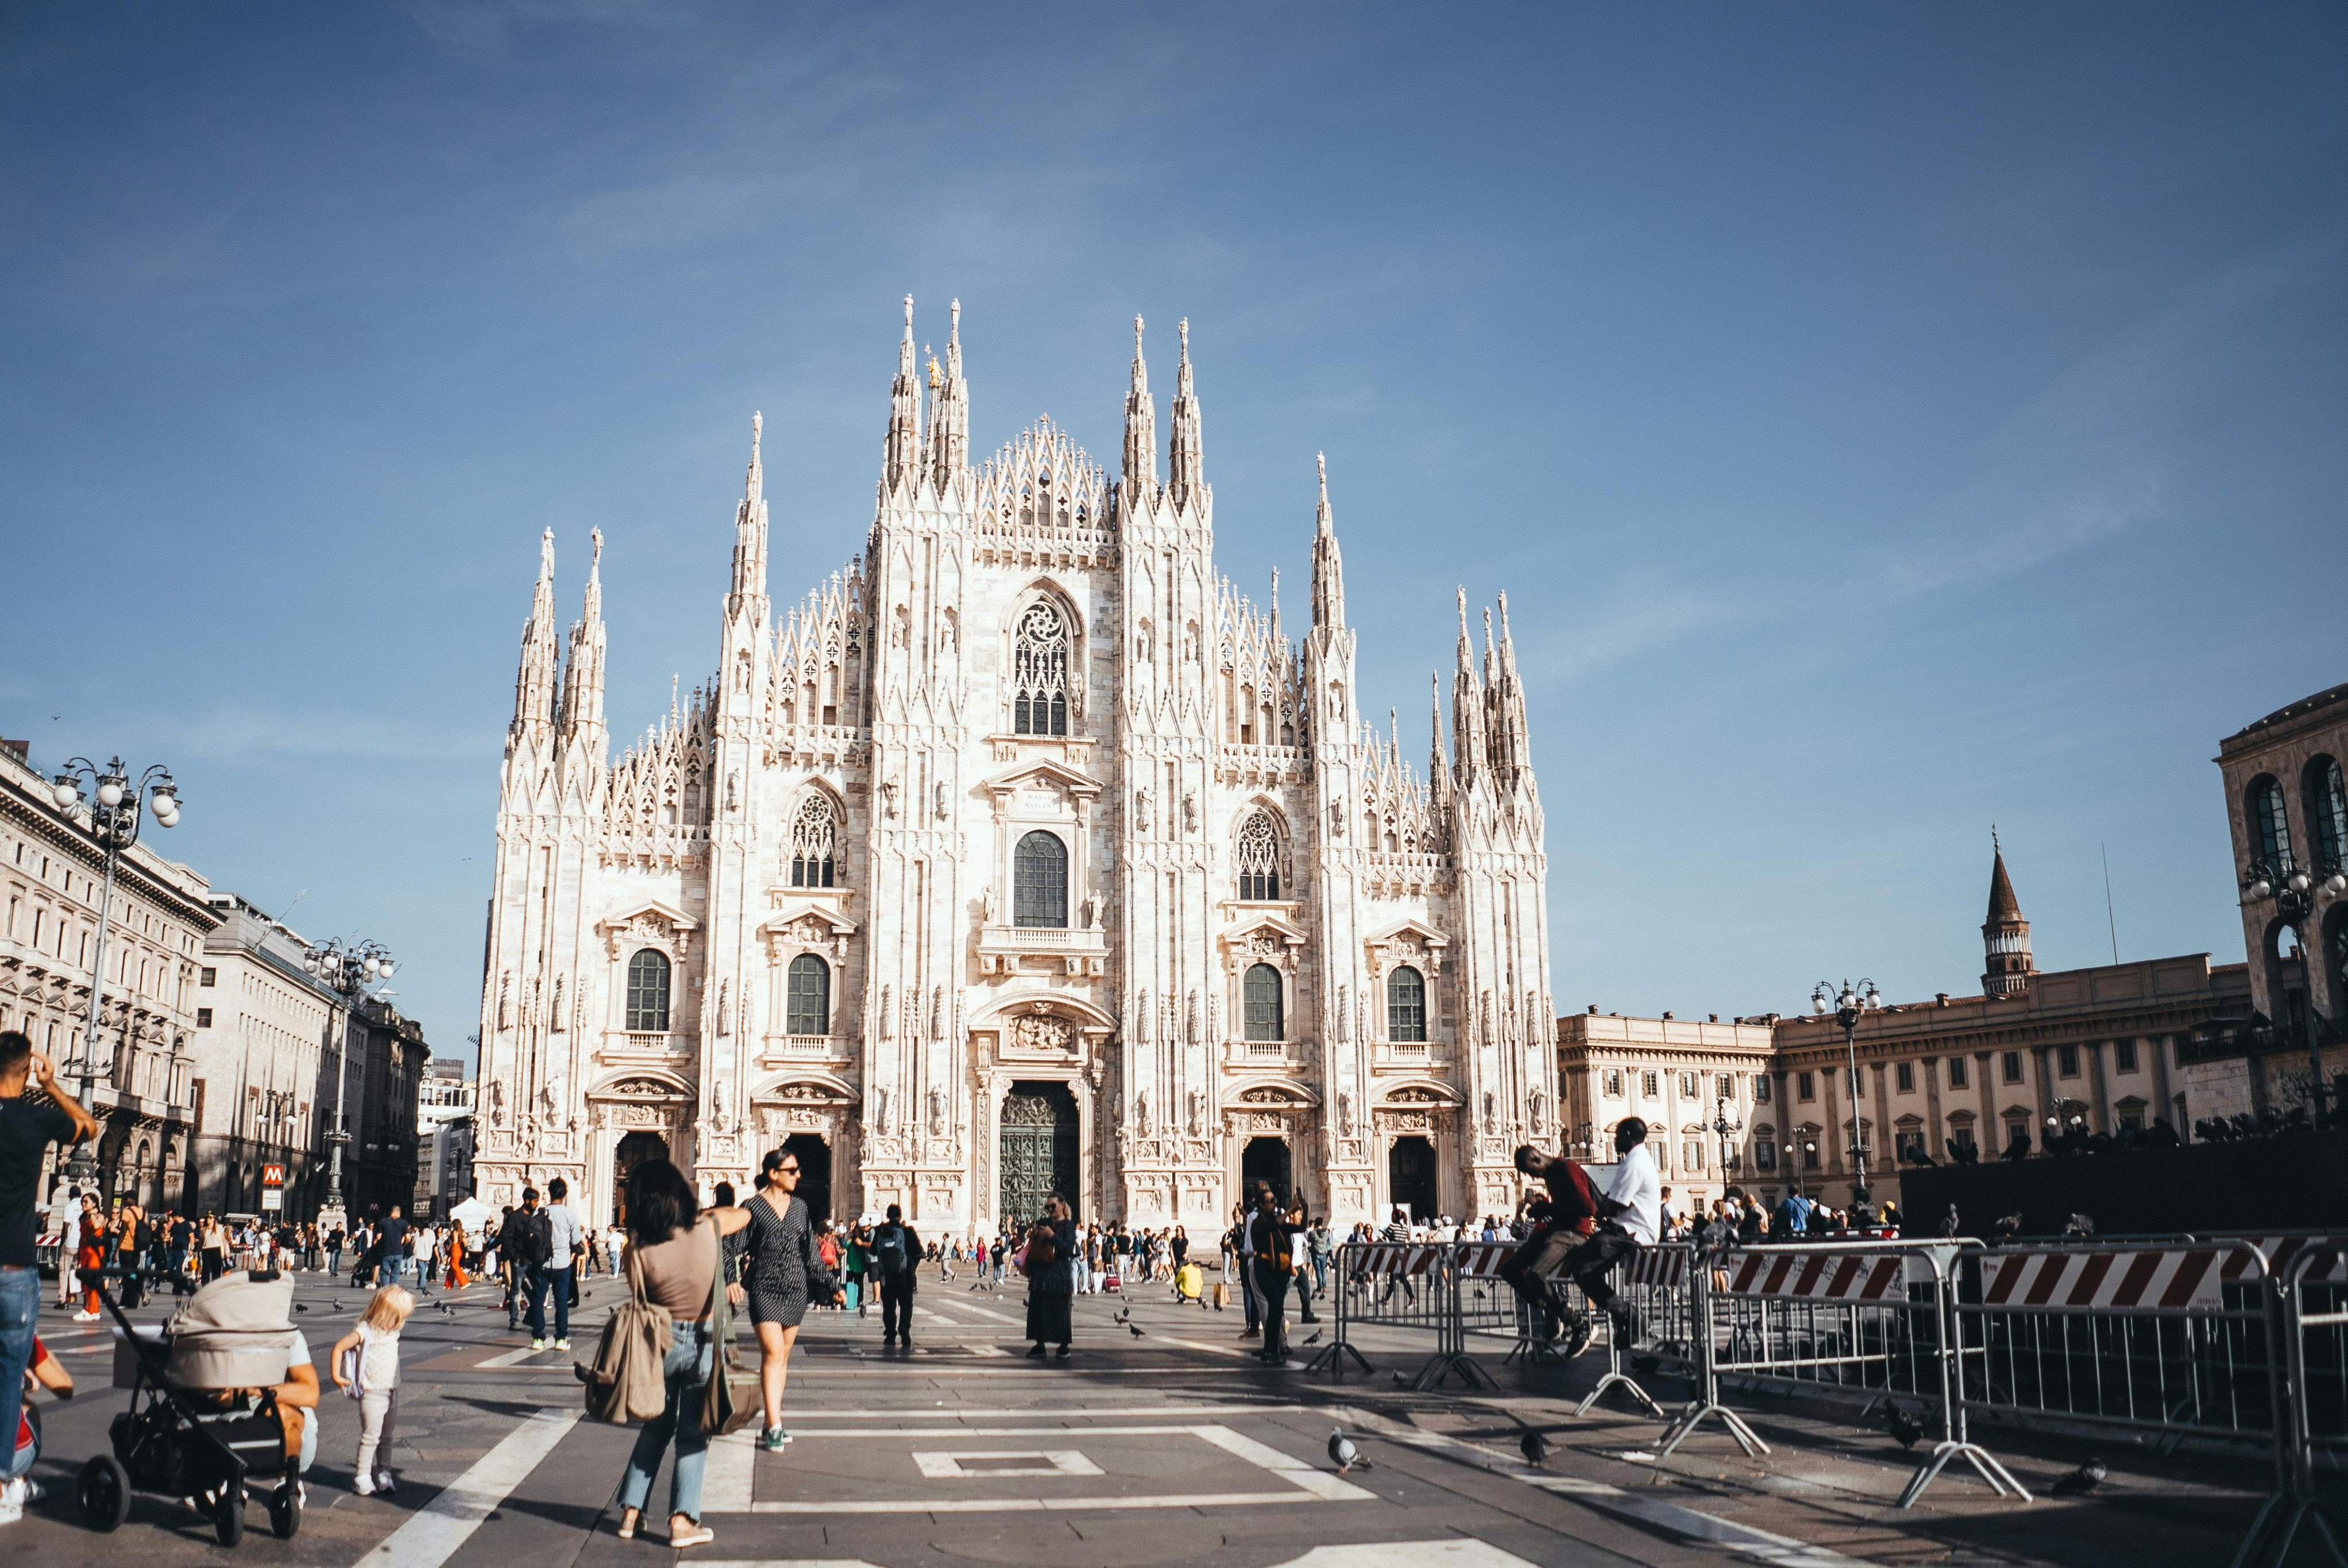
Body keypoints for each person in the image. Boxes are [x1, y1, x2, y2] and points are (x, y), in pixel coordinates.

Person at [611, 1158, 752, 1551]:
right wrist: (701, 1212)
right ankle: (682, 1520)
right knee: (693, 1434)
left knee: (655, 1427)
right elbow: (742, 1214)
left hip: (661, 1342)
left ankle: (630, 1513)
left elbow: (640, 1296)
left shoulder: (636, 1249)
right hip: (704, 1341)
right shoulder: (708, 1228)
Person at [0, 1034, 95, 1523]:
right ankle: (4, 1484)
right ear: (25, 1068)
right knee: (11, 1376)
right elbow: (88, 1127)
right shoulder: (34, 1117)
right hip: (14, 1268)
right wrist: (53, 1085)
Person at [740, 1147, 838, 1451]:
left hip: (796, 1288)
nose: (799, 1175)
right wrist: (730, 1279)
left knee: (782, 1357)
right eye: (792, 1170)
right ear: (773, 1173)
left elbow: (810, 1251)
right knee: (772, 1352)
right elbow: (730, 1244)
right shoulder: (752, 1207)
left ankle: (774, 1421)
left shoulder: (799, 1208)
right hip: (764, 1285)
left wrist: (831, 1283)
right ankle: (774, 1426)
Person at [1557, 1118, 1660, 1347]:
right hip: (1625, 1229)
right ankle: (1626, 1319)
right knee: (1583, 1268)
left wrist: (1593, 1205)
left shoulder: (1635, 1164)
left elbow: (1616, 1205)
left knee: (1582, 1269)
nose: (1614, 1140)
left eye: (1618, 1135)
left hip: (1631, 1232)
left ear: (1628, 1136)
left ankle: (1628, 1316)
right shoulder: (1635, 1160)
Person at [330, 1284, 414, 1496]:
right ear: (384, 1313)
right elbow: (339, 1347)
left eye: (403, 1319)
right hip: (372, 1392)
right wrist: (335, 1375)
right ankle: (362, 1476)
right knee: (371, 1436)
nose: (400, 1323)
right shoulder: (365, 1331)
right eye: (398, 1318)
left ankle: (384, 1472)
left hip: (393, 1390)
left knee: (387, 1436)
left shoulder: (394, 1329)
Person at [1021, 1196, 1076, 1359]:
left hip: (1059, 1273)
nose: (1051, 1210)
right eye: (1048, 1207)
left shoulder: (1069, 1226)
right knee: (1039, 1309)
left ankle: (1064, 1346)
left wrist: (1052, 1236)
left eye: (1053, 1206)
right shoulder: (1044, 1222)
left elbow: (1068, 1249)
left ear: (1062, 1206)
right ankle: (1040, 1345)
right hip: (1042, 1272)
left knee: (1061, 1310)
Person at [531, 1177, 580, 1351]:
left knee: (538, 1301)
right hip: (562, 1263)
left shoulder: (540, 1213)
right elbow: (576, 1240)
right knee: (561, 1302)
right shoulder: (570, 1214)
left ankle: (538, 1339)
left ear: (549, 1193)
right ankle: (560, 1339)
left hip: (542, 1263)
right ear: (564, 1194)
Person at [1246, 1187, 1293, 1364]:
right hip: (1265, 1265)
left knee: (1271, 1307)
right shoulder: (1258, 1220)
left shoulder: (1269, 1220)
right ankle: (1274, 1347)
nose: (1274, 1205)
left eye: (1274, 1201)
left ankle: (1272, 1348)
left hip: (1270, 1266)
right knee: (1273, 1307)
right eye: (1270, 1201)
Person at [871, 1202, 920, 1351]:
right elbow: (919, 1252)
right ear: (900, 1215)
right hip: (905, 1277)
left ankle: (890, 1335)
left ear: (887, 1215)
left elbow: (873, 1251)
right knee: (906, 1305)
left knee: (889, 1306)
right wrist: (912, 1268)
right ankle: (904, 1329)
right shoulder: (908, 1232)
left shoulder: (880, 1231)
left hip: (886, 1277)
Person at [376, 1206, 410, 1288]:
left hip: (386, 1252)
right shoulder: (404, 1223)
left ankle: (386, 1290)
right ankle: (393, 1290)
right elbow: (408, 1238)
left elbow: (378, 1237)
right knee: (395, 1273)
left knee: (385, 1273)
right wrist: (403, 1245)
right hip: (399, 1252)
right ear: (399, 1213)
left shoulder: (383, 1222)